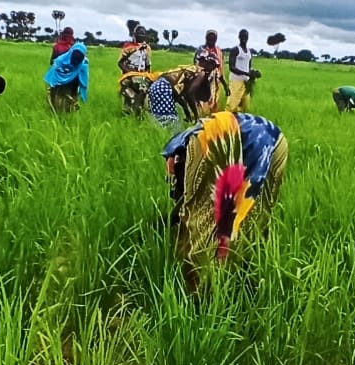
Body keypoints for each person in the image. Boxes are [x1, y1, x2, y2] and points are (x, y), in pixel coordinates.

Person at [165, 111, 288, 268]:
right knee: (257, 214)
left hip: (217, 136)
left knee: (199, 222)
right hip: (275, 139)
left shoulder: (186, 147)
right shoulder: (184, 141)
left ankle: (199, 281)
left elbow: (189, 203)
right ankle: (248, 266)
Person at [46, 36, 90, 112]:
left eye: (79, 60)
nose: (76, 62)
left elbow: (84, 82)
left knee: (69, 106)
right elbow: (52, 81)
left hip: (73, 87)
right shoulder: (60, 62)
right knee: (58, 104)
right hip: (58, 88)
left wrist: (80, 94)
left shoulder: (83, 65)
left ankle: (68, 113)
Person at [118, 30, 155, 116]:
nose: (141, 37)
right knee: (141, 88)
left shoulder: (147, 48)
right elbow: (120, 63)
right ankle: (134, 109)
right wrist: (130, 73)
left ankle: (142, 110)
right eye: (139, 35)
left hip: (142, 74)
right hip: (129, 74)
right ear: (135, 36)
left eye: (142, 35)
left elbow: (148, 64)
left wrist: (148, 75)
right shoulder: (129, 47)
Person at [225, 29, 260, 111]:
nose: (244, 38)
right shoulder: (235, 50)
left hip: (246, 82)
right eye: (242, 36)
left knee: (245, 106)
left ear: (248, 38)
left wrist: (254, 73)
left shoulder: (249, 51)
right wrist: (246, 73)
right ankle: (225, 121)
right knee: (232, 105)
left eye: (246, 36)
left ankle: (238, 122)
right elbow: (232, 67)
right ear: (239, 37)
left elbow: (249, 67)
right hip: (236, 81)